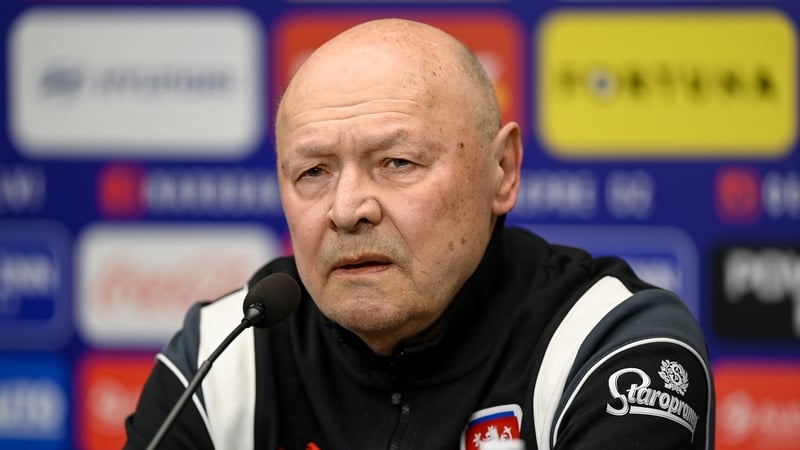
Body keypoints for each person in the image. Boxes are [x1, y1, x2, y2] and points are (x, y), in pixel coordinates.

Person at [124, 18, 714, 450]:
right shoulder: (227, 355)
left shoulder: (610, 344)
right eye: (313, 172)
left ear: (501, 170)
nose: (348, 209)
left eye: (398, 162)